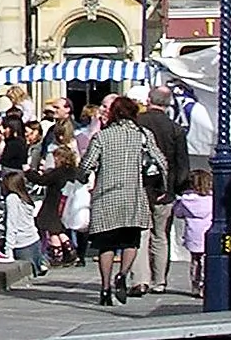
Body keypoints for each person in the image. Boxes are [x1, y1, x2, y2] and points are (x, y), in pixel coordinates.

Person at [79, 93, 166, 306]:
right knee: (131, 241)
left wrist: (82, 177)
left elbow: (86, 165)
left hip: (105, 196)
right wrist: (161, 186)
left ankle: (105, 288)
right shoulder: (143, 135)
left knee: (105, 244)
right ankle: (123, 274)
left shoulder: (102, 136)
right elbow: (161, 161)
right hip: (133, 196)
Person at [137, 84, 191, 293]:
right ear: (168, 105)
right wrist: (177, 188)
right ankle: (159, 281)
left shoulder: (138, 123)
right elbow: (182, 162)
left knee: (141, 234)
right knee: (161, 236)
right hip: (165, 190)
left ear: (149, 100)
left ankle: (141, 280)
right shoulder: (175, 129)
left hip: (140, 187)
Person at [174, 168, 215, 296]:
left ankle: (195, 285)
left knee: (195, 261)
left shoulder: (185, 200)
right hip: (208, 232)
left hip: (193, 233)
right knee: (206, 261)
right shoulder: (212, 199)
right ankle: (205, 285)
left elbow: (178, 213)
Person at [1, 171, 45, 274]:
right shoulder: (25, 197)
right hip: (34, 239)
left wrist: (8, 249)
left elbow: (12, 224)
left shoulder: (12, 198)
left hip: (21, 243)